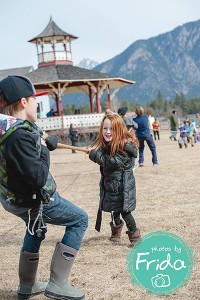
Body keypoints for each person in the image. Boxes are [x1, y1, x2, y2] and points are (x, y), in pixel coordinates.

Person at [0, 75, 88, 300]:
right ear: (22, 102)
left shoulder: (7, 129)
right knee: (79, 219)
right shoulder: (18, 135)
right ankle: (58, 284)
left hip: (13, 200)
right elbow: (38, 176)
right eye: (33, 99)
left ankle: (27, 285)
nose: (36, 103)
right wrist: (45, 150)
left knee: (36, 229)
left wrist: (42, 140)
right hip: (32, 199)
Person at [87, 113, 141, 247]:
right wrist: (93, 151)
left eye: (111, 129)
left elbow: (110, 162)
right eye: (105, 128)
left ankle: (135, 238)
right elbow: (103, 156)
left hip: (122, 186)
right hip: (111, 184)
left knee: (125, 212)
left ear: (119, 129)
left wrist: (94, 154)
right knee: (113, 210)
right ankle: (116, 234)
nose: (108, 132)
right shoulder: (108, 144)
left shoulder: (124, 147)